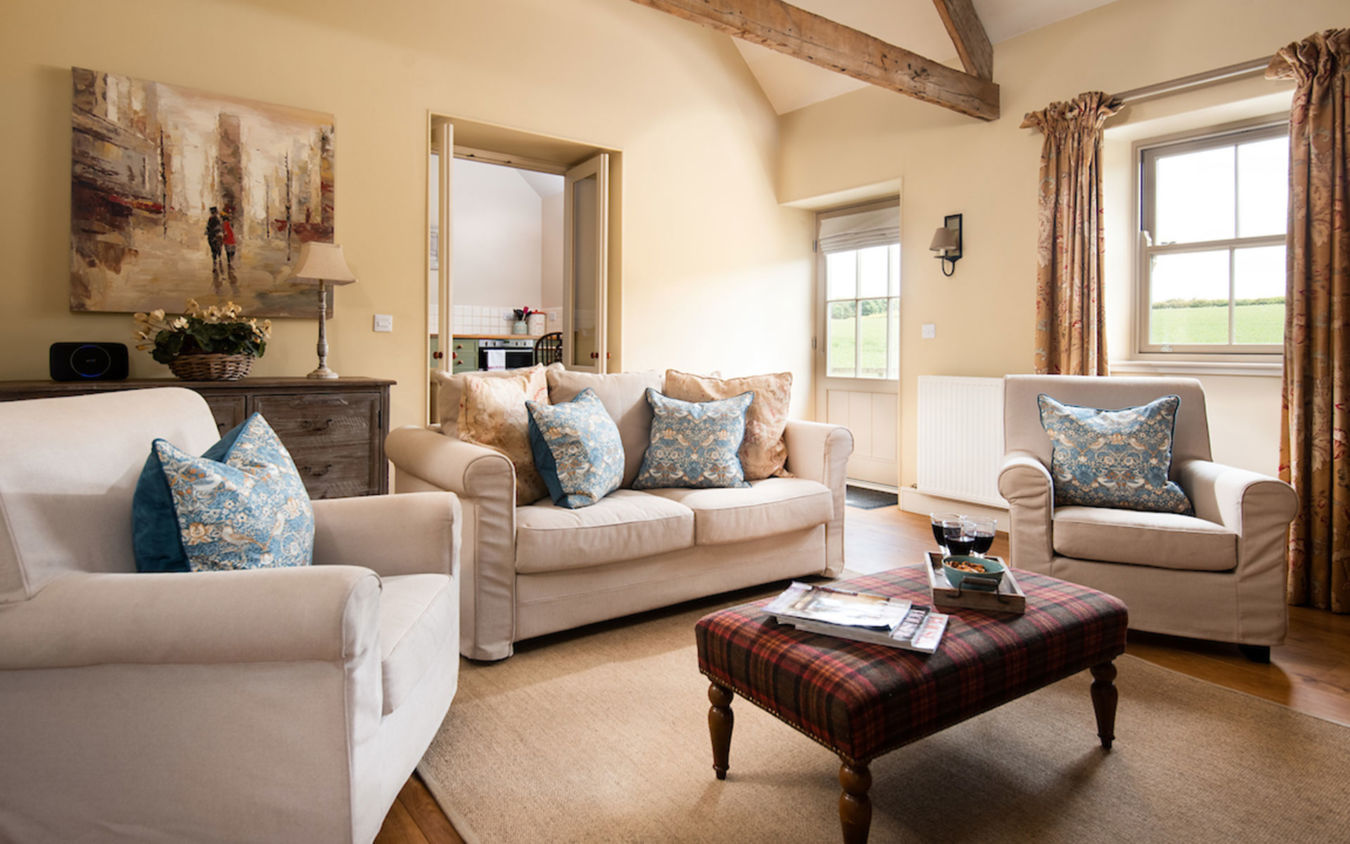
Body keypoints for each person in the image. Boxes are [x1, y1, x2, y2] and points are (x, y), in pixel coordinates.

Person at [205, 207, 224, 281]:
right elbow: (219, 228)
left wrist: (208, 231)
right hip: (216, 235)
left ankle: (215, 261)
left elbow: (208, 228)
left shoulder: (211, 219)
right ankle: (218, 259)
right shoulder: (217, 219)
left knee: (213, 249)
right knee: (217, 248)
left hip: (212, 236)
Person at [222, 212, 238, 286]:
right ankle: (230, 261)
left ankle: (229, 262)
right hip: (231, 240)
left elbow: (225, 232)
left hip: (228, 240)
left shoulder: (225, 224)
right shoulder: (228, 224)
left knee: (228, 251)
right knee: (231, 251)